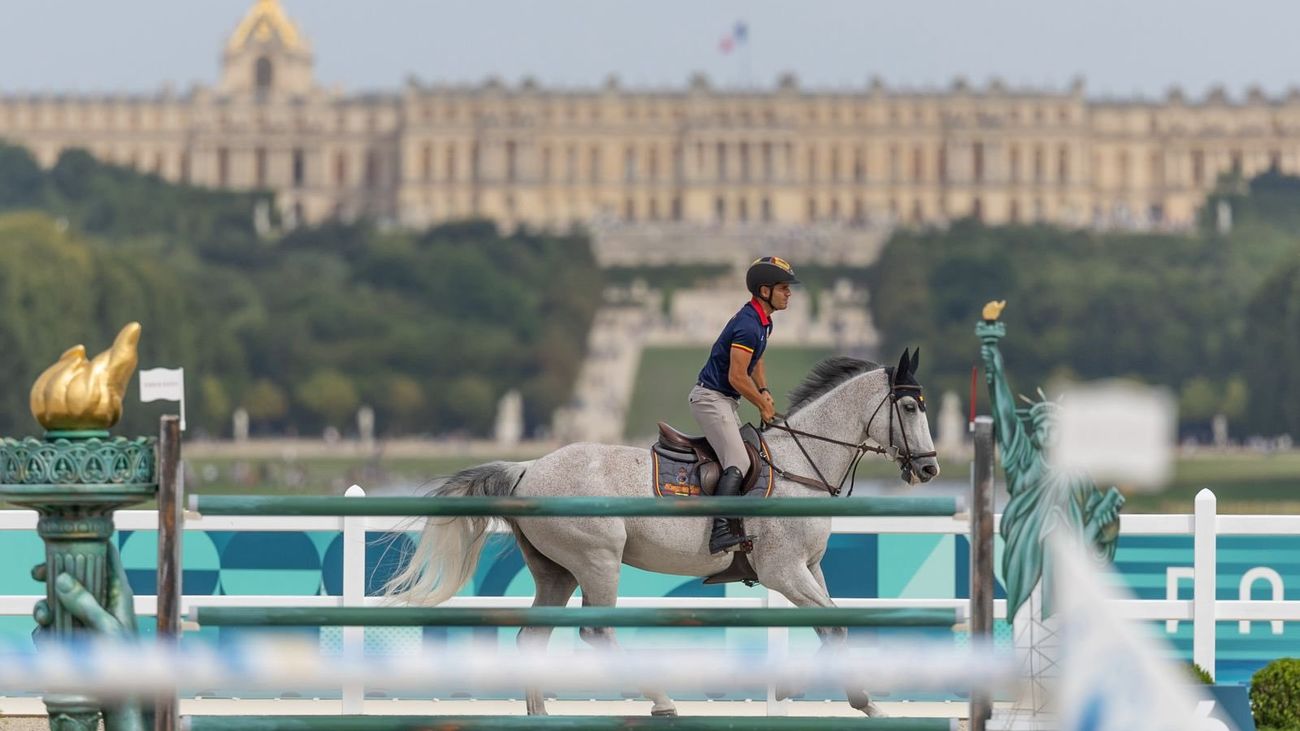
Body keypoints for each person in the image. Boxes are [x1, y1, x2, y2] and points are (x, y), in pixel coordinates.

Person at [690, 256, 798, 553]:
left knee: (751, 456)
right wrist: (762, 405)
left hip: (723, 401)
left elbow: (756, 360)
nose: (789, 293)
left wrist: (764, 390)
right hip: (711, 399)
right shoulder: (749, 325)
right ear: (765, 291)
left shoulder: (763, 322)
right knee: (739, 461)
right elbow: (737, 376)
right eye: (784, 288)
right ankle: (719, 531)